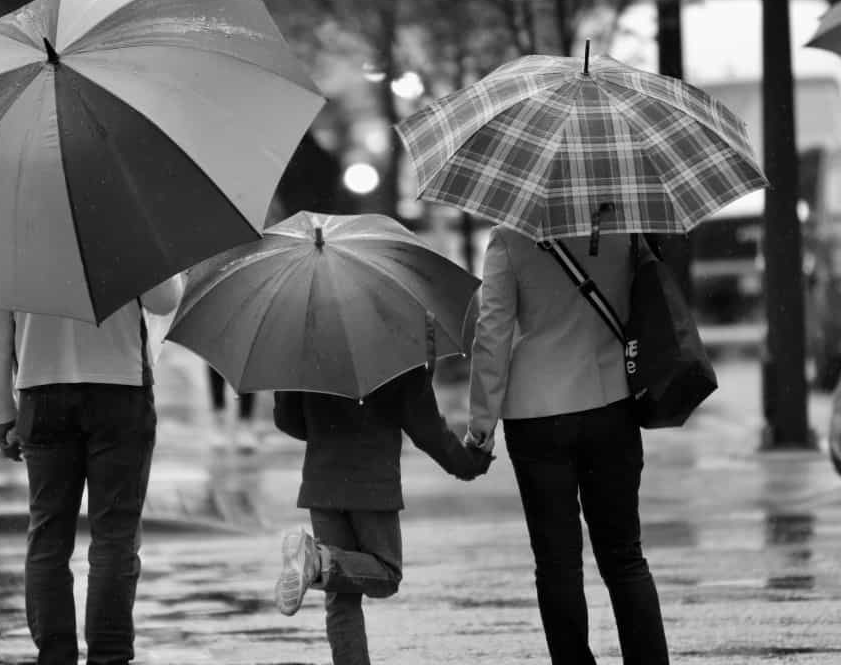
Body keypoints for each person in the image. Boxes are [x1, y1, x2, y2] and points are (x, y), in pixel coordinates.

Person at [466, 227, 670, 665]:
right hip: (612, 400)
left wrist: (481, 424)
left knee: (557, 562)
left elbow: (493, 331)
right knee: (624, 555)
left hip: (537, 413)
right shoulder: (624, 229)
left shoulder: (509, 239)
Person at [0, 274, 184, 665]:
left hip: (41, 390)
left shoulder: (8, 221)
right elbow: (164, 300)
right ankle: (109, 656)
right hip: (120, 388)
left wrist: (0, 408)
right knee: (115, 537)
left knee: (48, 537)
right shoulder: (126, 216)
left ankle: (55, 655)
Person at [272, 366, 492, 665]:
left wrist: (326, 427)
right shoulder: (397, 342)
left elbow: (287, 420)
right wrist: (468, 463)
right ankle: (319, 561)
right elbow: (425, 427)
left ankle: (319, 562)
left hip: (321, 481)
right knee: (386, 574)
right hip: (372, 483)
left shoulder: (303, 344)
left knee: (341, 600)